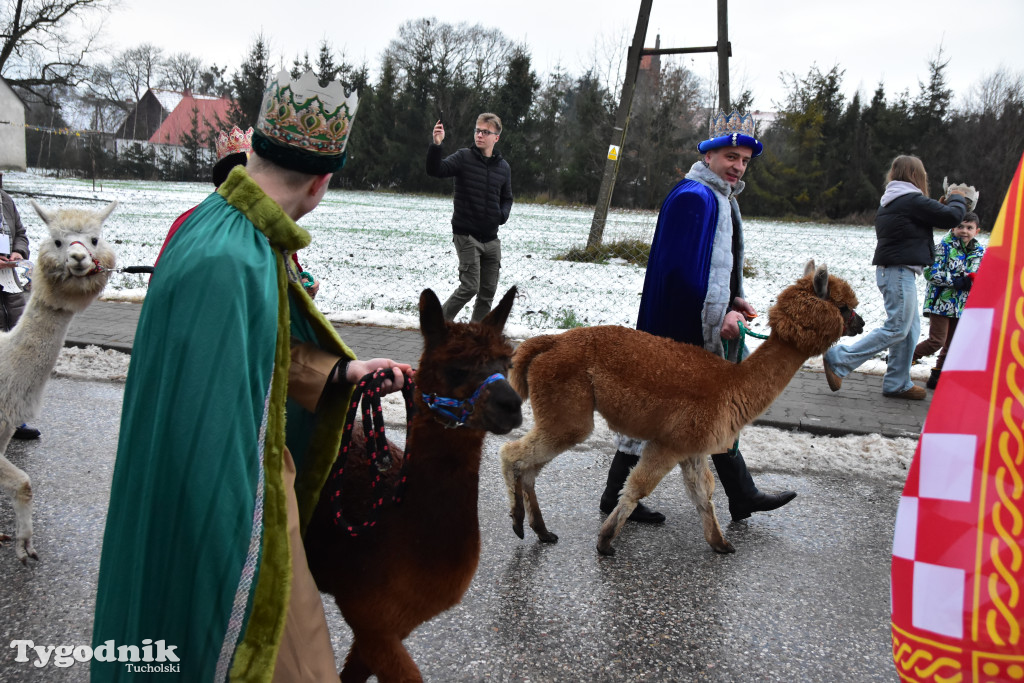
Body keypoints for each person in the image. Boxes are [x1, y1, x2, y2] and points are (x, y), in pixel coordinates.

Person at [92, 70, 411, 681]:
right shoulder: (231, 258)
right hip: (239, 516)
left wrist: (341, 371)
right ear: (320, 184)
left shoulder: (226, 231)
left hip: (253, 498)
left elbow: (263, 350)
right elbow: (207, 434)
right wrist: (237, 561)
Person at [600, 111, 796, 524]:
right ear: (708, 156)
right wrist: (718, 312)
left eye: (744, 160)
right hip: (678, 327)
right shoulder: (696, 197)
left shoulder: (718, 197)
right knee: (676, 408)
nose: (738, 166)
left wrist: (733, 299)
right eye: (731, 156)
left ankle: (740, 494)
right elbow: (682, 273)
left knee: (707, 411)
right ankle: (618, 496)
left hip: (690, 322)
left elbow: (717, 267)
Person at [823, 155, 968, 400]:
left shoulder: (896, 199)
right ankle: (839, 359)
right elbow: (951, 218)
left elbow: (931, 217)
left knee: (909, 331)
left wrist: (941, 206)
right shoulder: (909, 199)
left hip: (897, 271)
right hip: (899, 272)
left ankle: (897, 382)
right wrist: (957, 197)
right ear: (917, 175)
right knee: (897, 328)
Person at [427, 112, 513, 322]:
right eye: (477, 130)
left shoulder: (503, 167)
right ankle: (438, 326)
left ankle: (475, 339)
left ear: (496, 137)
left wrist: (500, 216)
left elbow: (507, 198)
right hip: (466, 236)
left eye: (485, 132)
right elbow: (435, 170)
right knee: (470, 287)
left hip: (491, 239)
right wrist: (437, 145)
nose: (480, 135)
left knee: (487, 293)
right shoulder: (463, 157)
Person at [912, 211, 985, 389]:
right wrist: (956, 281)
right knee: (937, 340)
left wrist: (975, 281)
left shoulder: (980, 252)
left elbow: (981, 275)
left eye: (969, 228)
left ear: (977, 231)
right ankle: (905, 358)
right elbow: (930, 273)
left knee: (952, 343)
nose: (964, 231)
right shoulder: (944, 247)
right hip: (941, 303)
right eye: (960, 226)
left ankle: (937, 375)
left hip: (962, 305)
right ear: (953, 227)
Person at [0, 190, 39, 440]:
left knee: (14, 359)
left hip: (10, 290)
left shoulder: (5, 201)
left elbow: (21, 234)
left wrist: (18, 253)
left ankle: (14, 420)